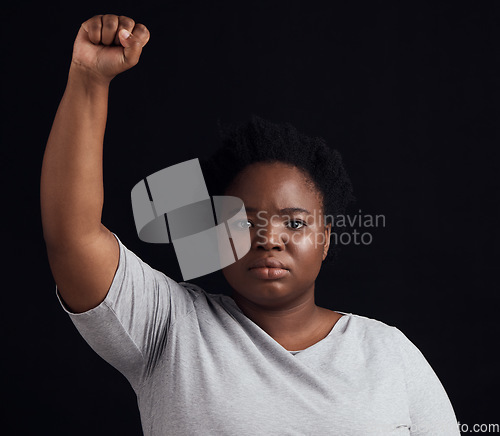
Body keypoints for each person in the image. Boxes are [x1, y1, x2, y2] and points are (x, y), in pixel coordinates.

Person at [41, 14, 460, 435]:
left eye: (294, 223)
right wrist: (88, 79)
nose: (268, 239)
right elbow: (72, 237)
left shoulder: (388, 353)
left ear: (326, 238)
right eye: (243, 222)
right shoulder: (170, 329)